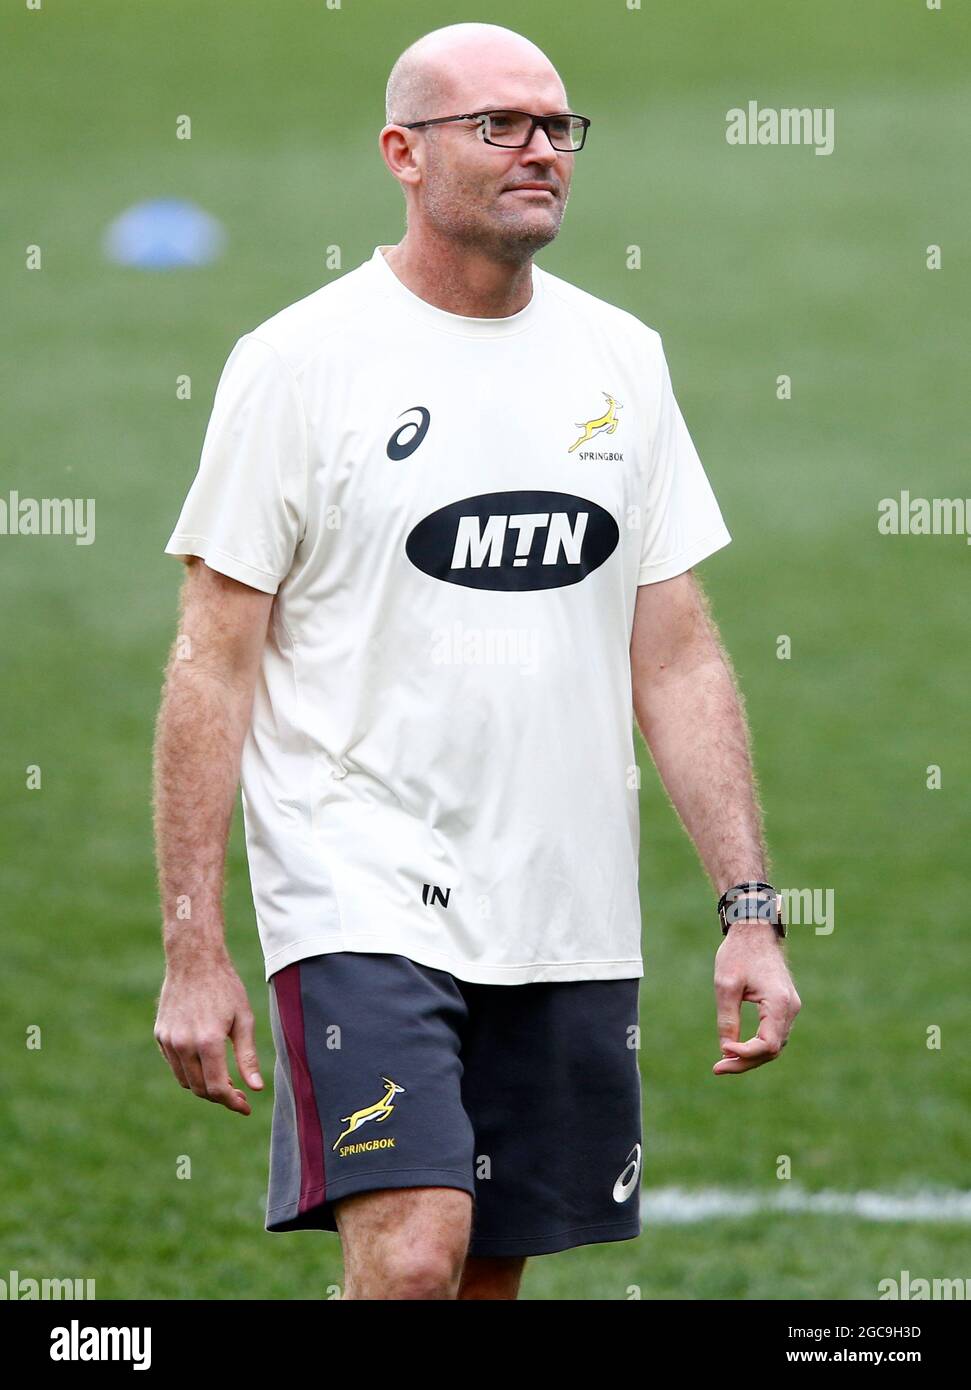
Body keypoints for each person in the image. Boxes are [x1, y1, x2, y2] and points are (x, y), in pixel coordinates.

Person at [153, 21, 800, 1301]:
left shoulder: (620, 358)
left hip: (562, 900)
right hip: (360, 885)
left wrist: (749, 909)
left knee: (487, 1278)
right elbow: (211, 662)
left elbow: (672, 654)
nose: (540, 152)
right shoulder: (296, 365)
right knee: (411, 1255)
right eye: (498, 125)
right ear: (402, 152)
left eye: (558, 127)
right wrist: (192, 942)